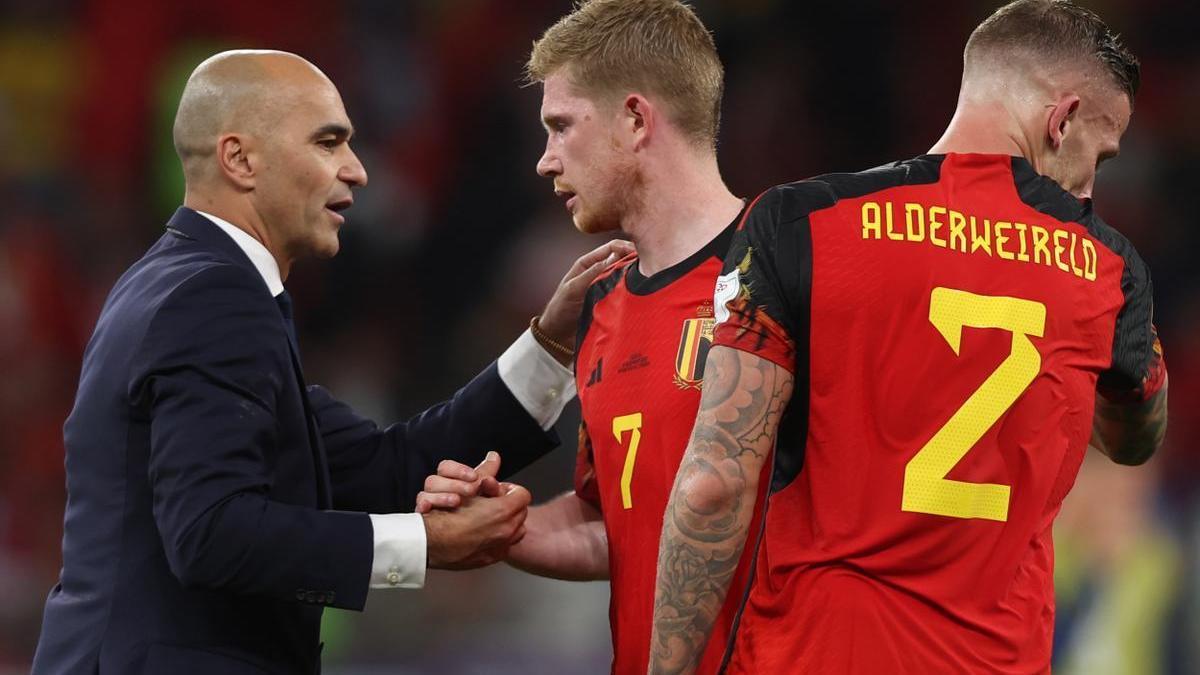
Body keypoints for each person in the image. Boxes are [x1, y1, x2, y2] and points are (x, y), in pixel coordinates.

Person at [32, 49, 630, 674]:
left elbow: (387, 467)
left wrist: (552, 344)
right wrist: (422, 546)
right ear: (240, 159)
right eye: (327, 142)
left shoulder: (180, 282)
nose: (357, 171)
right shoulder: (213, 298)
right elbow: (210, 532)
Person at [650, 1, 1169, 673]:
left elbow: (712, 484)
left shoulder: (798, 222)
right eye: (1097, 155)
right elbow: (1137, 435)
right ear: (1061, 120)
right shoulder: (1106, 265)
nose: (1091, 189)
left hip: (815, 653)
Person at [416, 1, 755, 673]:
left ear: (634, 119)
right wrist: (504, 524)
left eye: (561, 127)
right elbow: (616, 527)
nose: (544, 161)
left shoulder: (789, 275)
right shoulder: (603, 304)